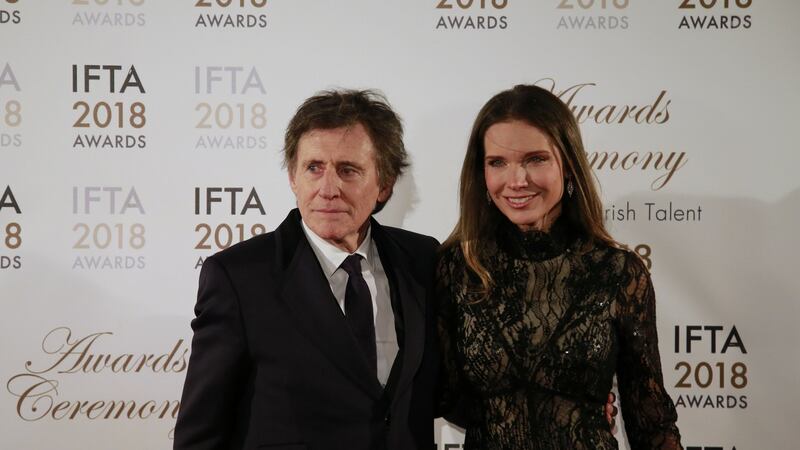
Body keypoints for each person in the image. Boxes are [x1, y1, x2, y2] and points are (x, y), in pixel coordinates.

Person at [173, 89, 441, 450]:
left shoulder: (423, 260)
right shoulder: (239, 277)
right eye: (314, 168)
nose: (327, 189)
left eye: (348, 170)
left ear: (385, 183)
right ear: (293, 178)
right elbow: (200, 435)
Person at [436, 84, 683, 449]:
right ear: (482, 174)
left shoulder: (617, 272)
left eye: (536, 159)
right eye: (497, 163)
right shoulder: (456, 269)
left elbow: (651, 418)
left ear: (568, 165)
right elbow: (442, 395)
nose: (517, 181)